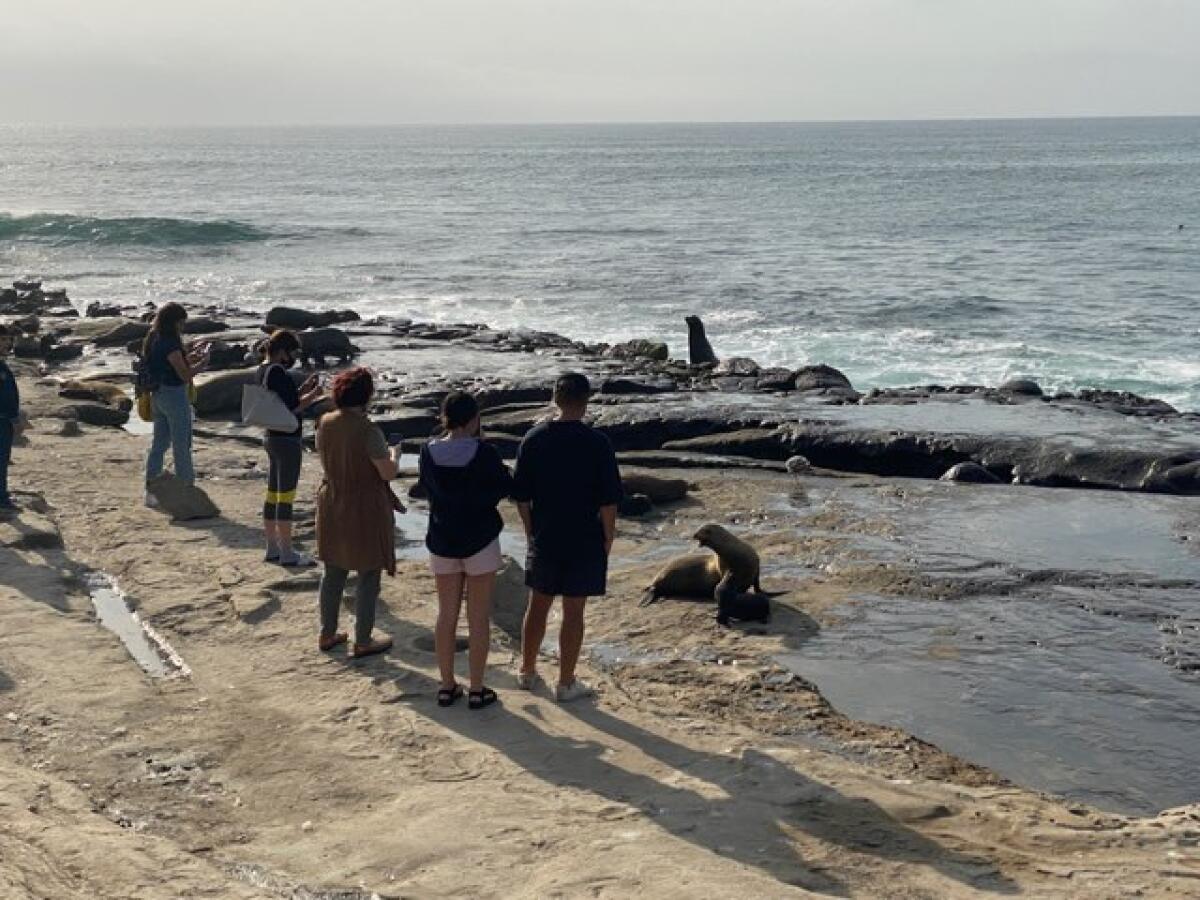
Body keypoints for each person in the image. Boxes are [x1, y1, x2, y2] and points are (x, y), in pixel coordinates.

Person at [511, 372, 622, 702]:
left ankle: (527, 671)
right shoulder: (597, 443)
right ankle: (565, 681)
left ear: (555, 399)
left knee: (538, 604)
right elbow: (609, 500)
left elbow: (521, 496)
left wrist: (530, 530)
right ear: (586, 402)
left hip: (546, 532)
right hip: (585, 536)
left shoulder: (534, 438)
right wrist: (608, 536)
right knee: (575, 611)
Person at [418, 391, 513, 710]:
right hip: (480, 539)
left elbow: (427, 490)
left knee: (446, 615)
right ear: (474, 419)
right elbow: (504, 486)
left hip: (442, 538)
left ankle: (446, 685)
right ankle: (476, 688)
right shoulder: (485, 452)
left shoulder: (427, 451)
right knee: (478, 617)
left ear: (444, 417)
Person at [315, 367, 402, 658]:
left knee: (333, 572)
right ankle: (363, 639)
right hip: (363, 506)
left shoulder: (325, 422)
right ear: (366, 396)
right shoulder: (368, 430)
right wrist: (395, 455)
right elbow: (387, 472)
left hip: (332, 500)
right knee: (368, 574)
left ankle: (327, 633)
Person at [257, 329, 324, 566]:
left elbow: (283, 401)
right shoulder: (278, 371)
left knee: (272, 493)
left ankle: (272, 547)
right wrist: (315, 395)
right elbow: (294, 408)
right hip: (286, 439)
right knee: (285, 496)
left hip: (271, 436)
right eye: (292, 351)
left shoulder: (263, 369)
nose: (293, 356)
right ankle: (287, 552)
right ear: (283, 351)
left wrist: (303, 390)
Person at [141, 302, 209, 505]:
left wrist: (188, 354)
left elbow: (168, 362)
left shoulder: (153, 337)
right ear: (174, 322)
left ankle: (151, 491)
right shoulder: (170, 343)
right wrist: (202, 364)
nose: (183, 327)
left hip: (158, 395)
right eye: (181, 323)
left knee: (159, 445)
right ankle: (186, 491)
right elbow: (184, 374)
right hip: (174, 396)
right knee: (182, 445)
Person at [0, 324, 26, 513]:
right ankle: (1, 500)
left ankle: (3, 495)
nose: (7, 343)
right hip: (2, 420)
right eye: (2, 340)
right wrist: (12, 417)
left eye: (8, 339)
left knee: (3, 459)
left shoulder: (2, 364)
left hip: (6, 420)